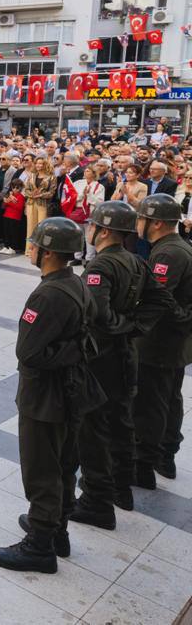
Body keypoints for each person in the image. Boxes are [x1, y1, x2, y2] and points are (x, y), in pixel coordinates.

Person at [0, 218, 102, 575]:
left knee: (42, 470)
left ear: (49, 253)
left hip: (45, 397)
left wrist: (71, 351)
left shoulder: (47, 294)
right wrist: (75, 350)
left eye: (35, 244)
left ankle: (39, 545)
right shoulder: (76, 282)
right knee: (64, 465)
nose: (31, 248)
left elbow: (28, 353)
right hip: (71, 390)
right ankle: (57, 531)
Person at [70, 201, 170, 529]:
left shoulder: (100, 266)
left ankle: (96, 499)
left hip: (100, 358)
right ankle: (120, 489)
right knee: (120, 423)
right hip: (124, 355)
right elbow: (161, 300)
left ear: (104, 231)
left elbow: (97, 314)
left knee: (94, 429)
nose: (89, 229)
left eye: (93, 225)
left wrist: (123, 326)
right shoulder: (136, 261)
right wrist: (135, 327)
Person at [133, 193, 192, 489]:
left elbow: (158, 300)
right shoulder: (175, 247)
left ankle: (147, 460)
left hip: (160, 343)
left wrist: (129, 327)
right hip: (172, 342)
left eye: (141, 218)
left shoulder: (169, 253)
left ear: (156, 223)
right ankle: (165, 455)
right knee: (168, 398)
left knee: (152, 402)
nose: (138, 223)